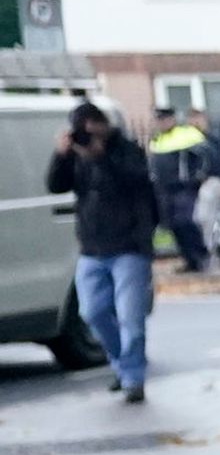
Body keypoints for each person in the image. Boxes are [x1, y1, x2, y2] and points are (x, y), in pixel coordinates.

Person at [47, 103, 158, 402]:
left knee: (130, 317)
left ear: (102, 124)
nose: (87, 134)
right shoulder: (76, 156)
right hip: (92, 249)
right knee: (92, 312)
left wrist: (102, 158)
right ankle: (122, 366)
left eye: (91, 126)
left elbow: (136, 183)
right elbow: (55, 186)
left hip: (129, 248)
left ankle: (132, 379)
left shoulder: (127, 150)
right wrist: (61, 155)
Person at [146, 109, 220, 274]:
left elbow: (207, 155)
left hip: (184, 188)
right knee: (173, 225)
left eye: (164, 119)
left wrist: (197, 176)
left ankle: (201, 257)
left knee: (187, 222)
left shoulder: (186, 135)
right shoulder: (157, 139)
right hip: (164, 190)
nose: (161, 123)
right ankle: (189, 259)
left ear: (172, 119)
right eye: (158, 120)